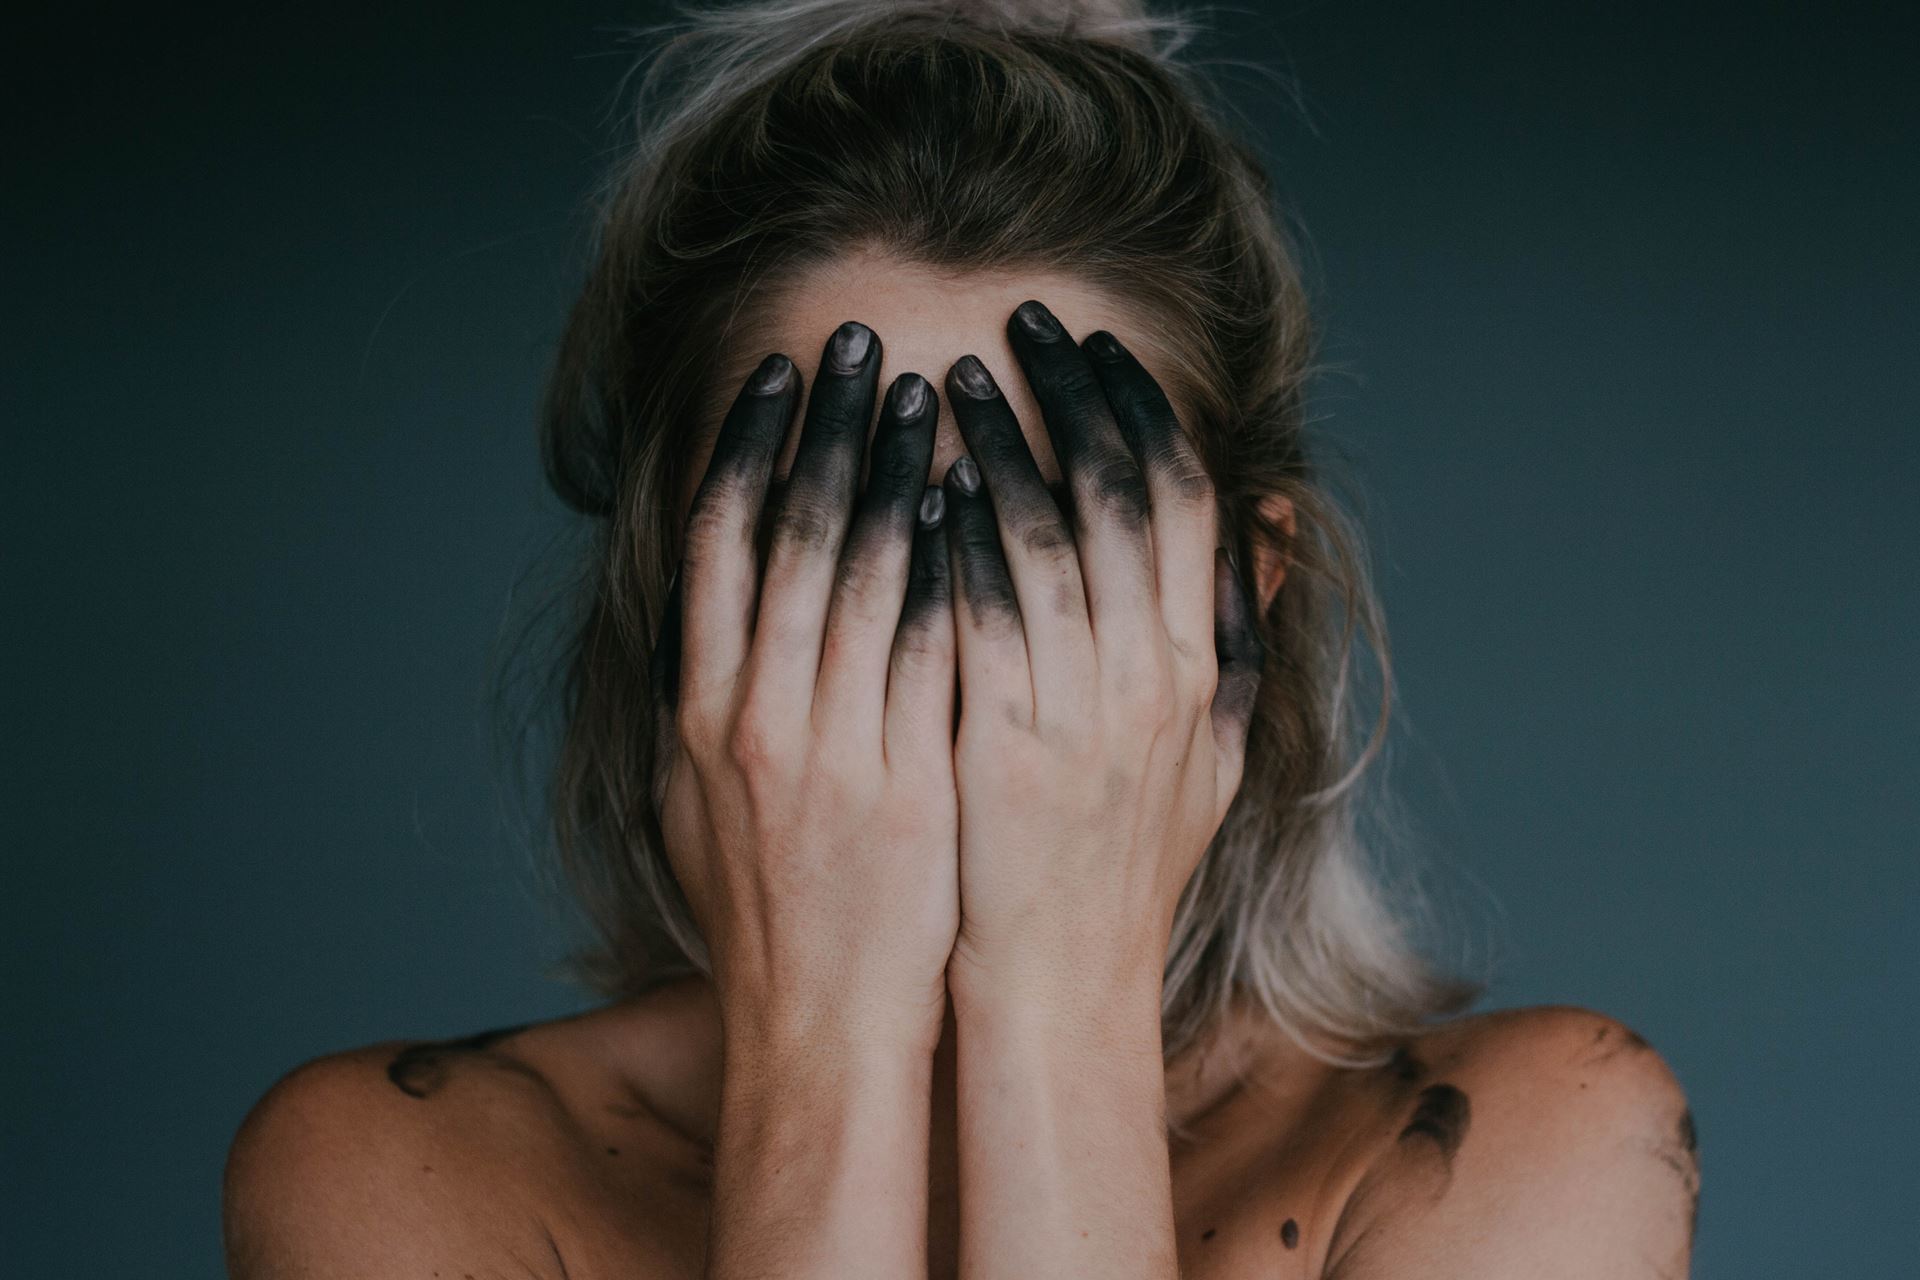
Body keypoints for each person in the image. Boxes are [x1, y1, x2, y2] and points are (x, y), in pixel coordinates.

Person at [221, 1, 1700, 1275]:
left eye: (1046, 548)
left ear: (1238, 604)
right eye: (831, 535)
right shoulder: (399, 1175)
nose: (934, 657)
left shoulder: (1526, 1147)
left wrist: (1053, 1011)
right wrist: (828, 1042)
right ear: (677, 603)